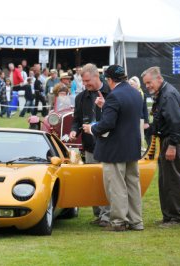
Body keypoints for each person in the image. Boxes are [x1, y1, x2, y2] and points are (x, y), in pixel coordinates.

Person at [83, 64, 143, 232]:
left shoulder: (114, 96)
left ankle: (118, 222)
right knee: (132, 185)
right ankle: (136, 221)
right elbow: (124, 116)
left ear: (109, 80)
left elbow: (108, 124)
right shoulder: (135, 93)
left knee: (116, 186)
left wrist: (92, 129)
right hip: (132, 147)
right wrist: (106, 107)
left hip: (115, 148)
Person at [141, 66, 180, 227]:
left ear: (158, 78)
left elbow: (177, 123)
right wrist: (148, 127)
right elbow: (163, 121)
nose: (147, 86)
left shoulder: (168, 95)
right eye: (145, 84)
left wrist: (173, 145)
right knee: (165, 180)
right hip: (166, 140)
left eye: (149, 83)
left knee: (172, 180)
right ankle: (168, 216)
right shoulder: (162, 94)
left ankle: (178, 218)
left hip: (171, 141)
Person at [69, 63, 111, 227]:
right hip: (90, 146)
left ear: (96, 76)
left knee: (108, 181)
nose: (85, 84)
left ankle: (108, 215)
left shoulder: (111, 92)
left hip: (108, 145)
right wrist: (74, 131)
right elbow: (77, 120)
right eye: (83, 81)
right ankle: (99, 214)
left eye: (87, 81)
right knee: (95, 181)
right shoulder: (81, 97)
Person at [129, 76, 150, 146]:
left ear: (137, 84)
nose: (130, 86)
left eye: (131, 84)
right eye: (129, 84)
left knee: (140, 139)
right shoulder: (127, 94)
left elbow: (145, 109)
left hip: (140, 120)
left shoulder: (143, 94)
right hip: (130, 120)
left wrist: (146, 122)